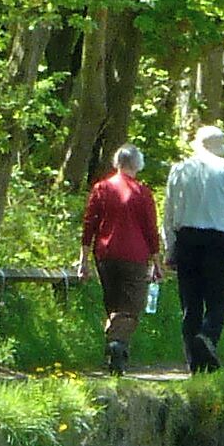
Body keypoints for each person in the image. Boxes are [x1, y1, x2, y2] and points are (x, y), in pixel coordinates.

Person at [161, 119, 224, 373]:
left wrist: (170, 248)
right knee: (221, 297)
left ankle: (195, 363)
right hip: (216, 241)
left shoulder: (178, 170)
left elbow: (169, 213)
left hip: (186, 240)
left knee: (190, 303)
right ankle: (208, 337)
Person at [79, 142, 160, 374]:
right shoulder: (142, 192)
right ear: (137, 165)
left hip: (105, 255)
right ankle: (117, 346)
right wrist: (157, 261)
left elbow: (89, 225)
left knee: (113, 305)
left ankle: (114, 356)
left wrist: (84, 259)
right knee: (131, 307)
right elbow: (150, 230)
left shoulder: (101, 188)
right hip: (135, 256)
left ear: (116, 163)